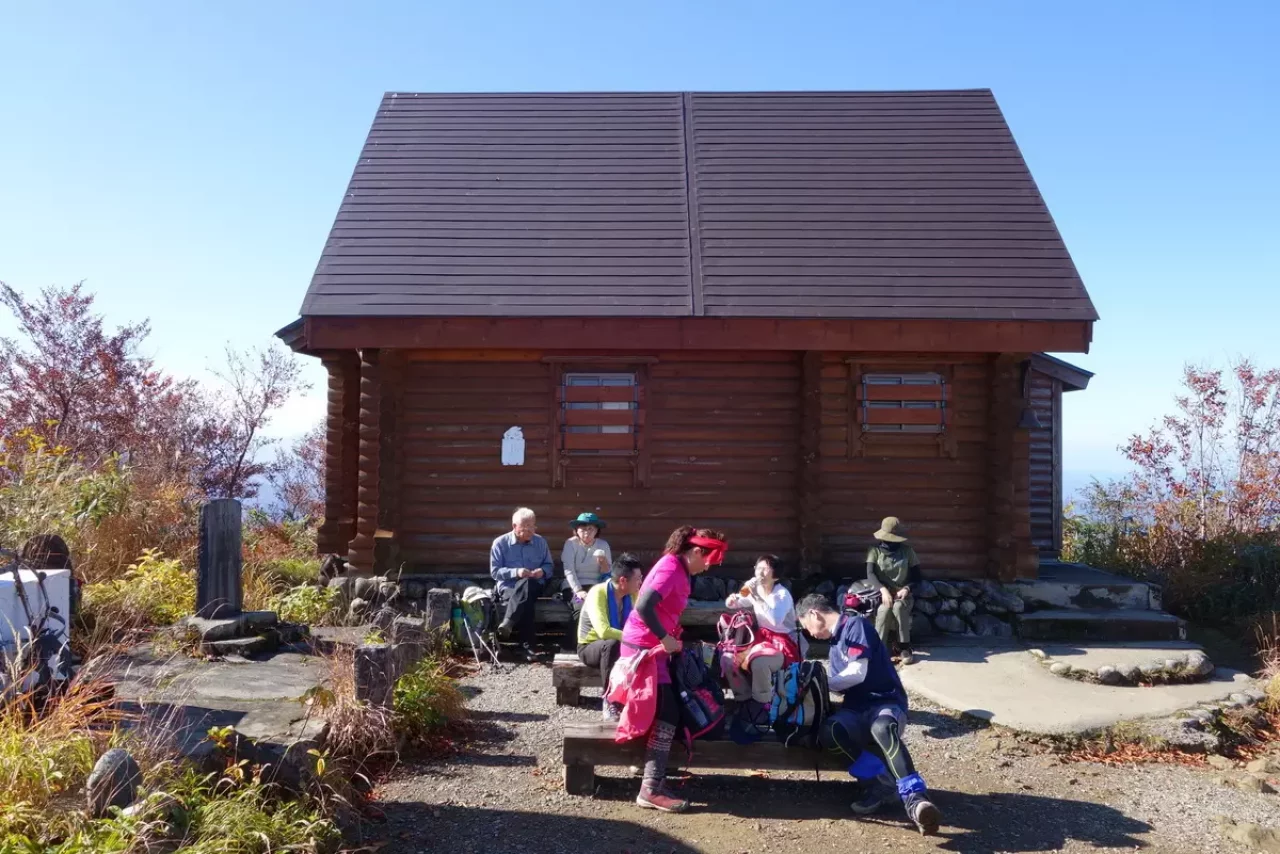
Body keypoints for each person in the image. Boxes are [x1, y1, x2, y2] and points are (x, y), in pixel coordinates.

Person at [795, 593, 941, 836]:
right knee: (830, 731)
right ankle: (878, 784)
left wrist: (821, 681)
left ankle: (916, 799)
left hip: (885, 702)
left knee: (881, 728)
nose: (809, 633)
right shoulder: (834, 645)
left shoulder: (855, 625)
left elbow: (857, 672)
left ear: (814, 614)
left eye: (806, 626)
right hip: (856, 707)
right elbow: (842, 685)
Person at [616, 525, 727, 814]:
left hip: (657, 646)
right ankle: (650, 789)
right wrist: (665, 638)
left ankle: (654, 780)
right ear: (696, 551)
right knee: (668, 711)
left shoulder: (679, 568)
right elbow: (643, 604)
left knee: (671, 710)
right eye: (708, 561)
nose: (708, 567)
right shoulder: (669, 567)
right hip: (645, 648)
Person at [722, 554, 804, 705]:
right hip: (760, 640)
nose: (760, 573)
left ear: (776, 575)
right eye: (758, 568)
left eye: (765, 569)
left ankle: (762, 703)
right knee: (728, 659)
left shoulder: (781, 594)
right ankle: (744, 699)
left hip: (783, 643)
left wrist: (756, 597)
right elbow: (733, 603)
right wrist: (733, 599)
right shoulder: (754, 588)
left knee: (760, 663)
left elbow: (774, 620)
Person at [578, 553, 643, 721]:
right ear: (623, 581)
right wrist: (635, 638)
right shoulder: (598, 592)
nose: (640, 583)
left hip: (621, 644)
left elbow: (640, 623)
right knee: (612, 643)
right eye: (637, 579)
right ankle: (609, 699)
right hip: (590, 647)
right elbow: (603, 631)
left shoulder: (633, 594)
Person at [489, 507, 554, 663]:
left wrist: (542, 572)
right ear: (514, 526)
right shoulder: (500, 543)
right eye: (525, 528)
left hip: (535, 584)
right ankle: (528, 647)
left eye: (532, 527)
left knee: (527, 585)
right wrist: (516, 572)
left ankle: (509, 622)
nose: (530, 531)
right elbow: (495, 572)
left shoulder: (540, 542)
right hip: (509, 587)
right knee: (526, 600)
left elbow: (550, 566)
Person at [867, 516, 923, 665]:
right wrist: (883, 590)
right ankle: (879, 649)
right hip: (882, 595)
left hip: (903, 595)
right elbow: (870, 574)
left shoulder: (908, 551)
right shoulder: (874, 551)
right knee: (884, 610)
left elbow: (918, 577)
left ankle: (904, 647)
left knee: (898, 607)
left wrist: (907, 588)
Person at [562, 512, 613, 626]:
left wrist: (604, 564)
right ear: (577, 530)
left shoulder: (603, 545)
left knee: (601, 609)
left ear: (596, 530)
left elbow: (607, 573)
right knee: (580, 608)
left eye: (590, 529)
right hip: (573, 587)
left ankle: (599, 642)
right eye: (583, 529)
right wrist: (578, 591)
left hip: (595, 586)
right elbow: (569, 570)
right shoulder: (570, 543)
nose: (586, 532)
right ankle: (574, 643)